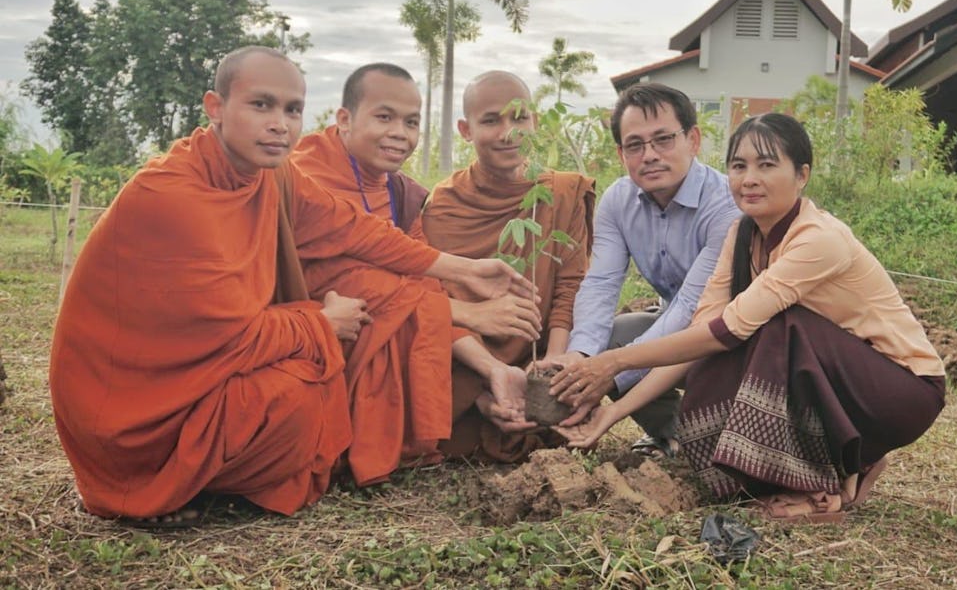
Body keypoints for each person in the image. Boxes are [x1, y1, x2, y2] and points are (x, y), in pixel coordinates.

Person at [50, 46, 533, 524]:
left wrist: (459, 268)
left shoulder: (270, 176)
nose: (280, 123)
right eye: (261, 105)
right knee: (303, 394)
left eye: (292, 109)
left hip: (205, 375)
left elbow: (348, 227)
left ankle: (218, 475)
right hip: (134, 413)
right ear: (215, 108)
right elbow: (233, 336)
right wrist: (322, 322)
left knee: (312, 386)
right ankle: (163, 481)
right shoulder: (172, 196)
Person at [555, 113, 946, 523]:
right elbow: (702, 336)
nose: (749, 179)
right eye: (739, 166)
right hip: (839, 383)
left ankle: (821, 486)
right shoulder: (741, 235)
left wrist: (614, 361)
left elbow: (728, 330)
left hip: (902, 390)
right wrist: (612, 414)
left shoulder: (819, 238)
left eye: (767, 165)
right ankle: (846, 462)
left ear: (802, 175)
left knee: (779, 327)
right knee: (733, 348)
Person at [292, 63, 544, 474]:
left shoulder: (401, 194)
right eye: (384, 117)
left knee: (409, 291)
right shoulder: (304, 174)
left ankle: (460, 406)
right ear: (344, 118)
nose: (400, 133)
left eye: (411, 122)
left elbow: (422, 285)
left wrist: (494, 368)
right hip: (310, 337)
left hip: (373, 336)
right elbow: (327, 280)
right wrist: (466, 309)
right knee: (363, 285)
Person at [545, 83, 738, 457]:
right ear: (621, 153)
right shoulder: (618, 201)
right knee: (616, 335)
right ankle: (677, 438)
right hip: (675, 333)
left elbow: (690, 310)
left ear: (693, 140)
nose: (649, 155)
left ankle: (728, 442)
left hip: (730, 340)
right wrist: (582, 359)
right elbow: (600, 283)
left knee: (627, 354)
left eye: (664, 139)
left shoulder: (726, 205)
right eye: (635, 145)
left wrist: (609, 373)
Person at [421, 71, 595, 462]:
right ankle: (482, 405)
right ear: (465, 129)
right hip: (468, 360)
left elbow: (570, 285)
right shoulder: (445, 205)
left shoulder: (561, 192)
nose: (507, 133)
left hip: (540, 355)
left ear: (535, 121)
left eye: (519, 119)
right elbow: (439, 301)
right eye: (490, 120)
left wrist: (551, 368)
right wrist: (485, 383)